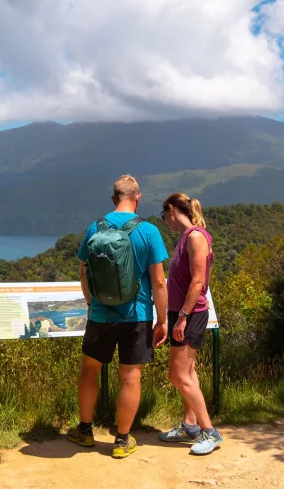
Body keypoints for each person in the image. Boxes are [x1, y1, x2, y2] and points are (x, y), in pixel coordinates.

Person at [66, 174, 169, 459]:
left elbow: (84, 272)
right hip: (136, 316)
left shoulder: (94, 228)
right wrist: (162, 320)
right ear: (138, 198)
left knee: (89, 370)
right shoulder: (148, 231)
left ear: (113, 199)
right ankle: (122, 441)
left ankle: (85, 431)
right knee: (130, 377)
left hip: (101, 315)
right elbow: (159, 282)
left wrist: (91, 305)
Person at [157, 193, 223, 455]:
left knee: (178, 375)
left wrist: (182, 317)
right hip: (181, 312)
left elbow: (198, 282)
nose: (165, 222)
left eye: (164, 216)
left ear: (172, 210)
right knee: (190, 372)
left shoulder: (195, 237)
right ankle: (190, 425)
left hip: (190, 314)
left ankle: (210, 432)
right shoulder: (186, 238)